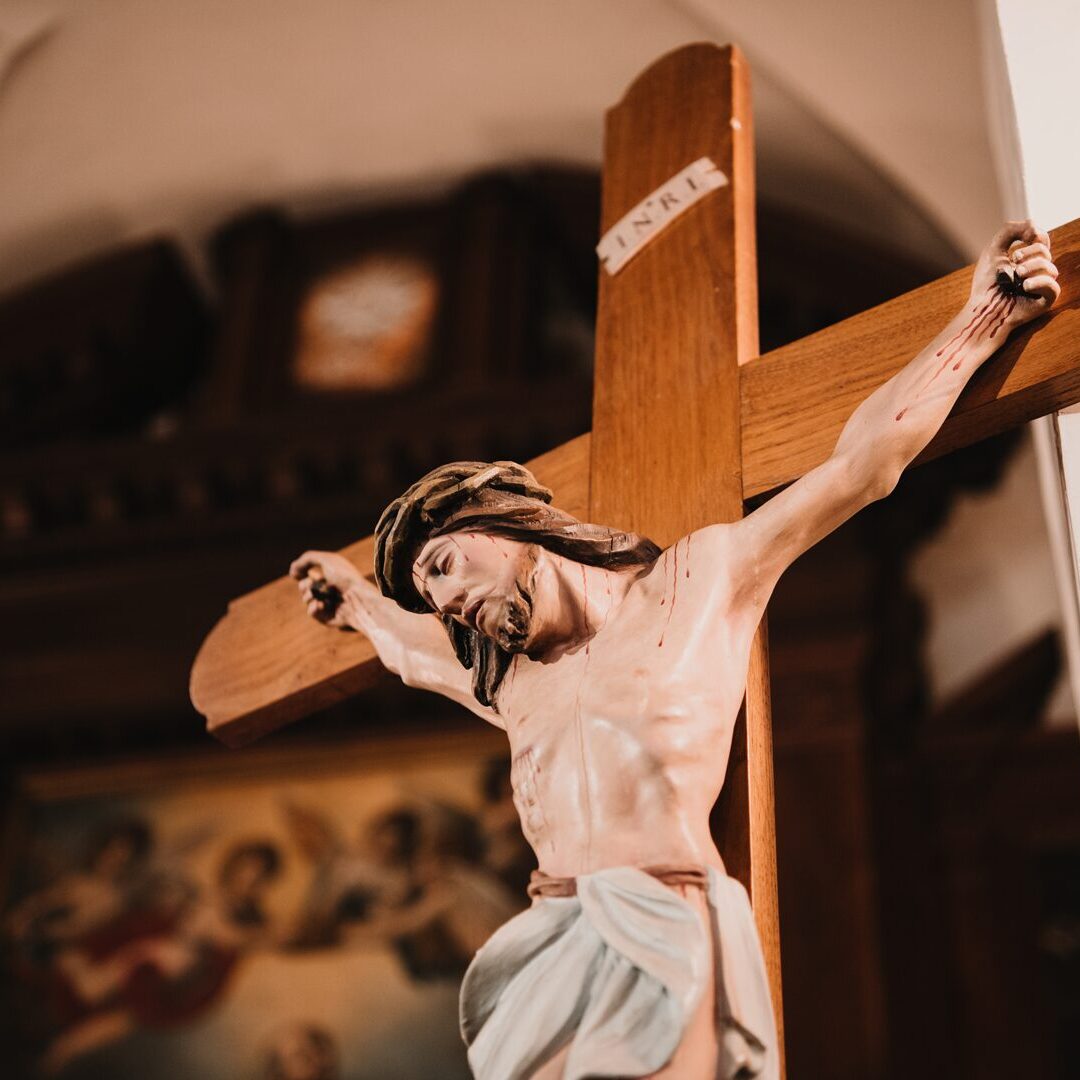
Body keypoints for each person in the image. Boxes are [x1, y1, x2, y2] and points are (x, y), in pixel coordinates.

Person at [291, 222, 1059, 1080]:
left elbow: (860, 466)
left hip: (658, 915)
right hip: (551, 937)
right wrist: (355, 599)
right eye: (435, 601)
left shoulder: (696, 584)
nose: (448, 603)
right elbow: (410, 654)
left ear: (503, 524)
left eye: (443, 566)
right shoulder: (511, 687)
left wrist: (983, 319)